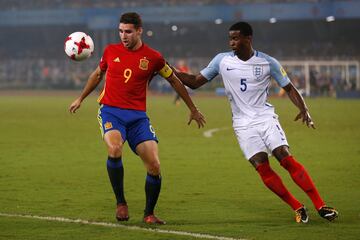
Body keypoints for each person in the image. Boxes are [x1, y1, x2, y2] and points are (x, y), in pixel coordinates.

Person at [172, 21, 338, 223]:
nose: (231, 42)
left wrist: (304, 109)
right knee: (262, 166)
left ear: (248, 39)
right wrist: (168, 70)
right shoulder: (221, 61)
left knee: (284, 157)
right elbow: (195, 82)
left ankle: (320, 205)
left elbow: (290, 88)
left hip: (265, 118)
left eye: (236, 38)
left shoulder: (268, 63)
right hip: (242, 124)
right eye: (230, 38)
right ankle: (297, 207)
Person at [68, 12, 206, 225]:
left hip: (138, 118)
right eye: (121, 31)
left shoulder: (153, 58)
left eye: (128, 32)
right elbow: (97, 75)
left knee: (155, 166)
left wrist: (193, 108)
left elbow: (175, 81)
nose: (124, 36)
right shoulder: (110, 51)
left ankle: (149, 214)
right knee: (114, 149)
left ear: (139, 31)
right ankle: (121, 202)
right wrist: (80, 98)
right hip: (111, 112)